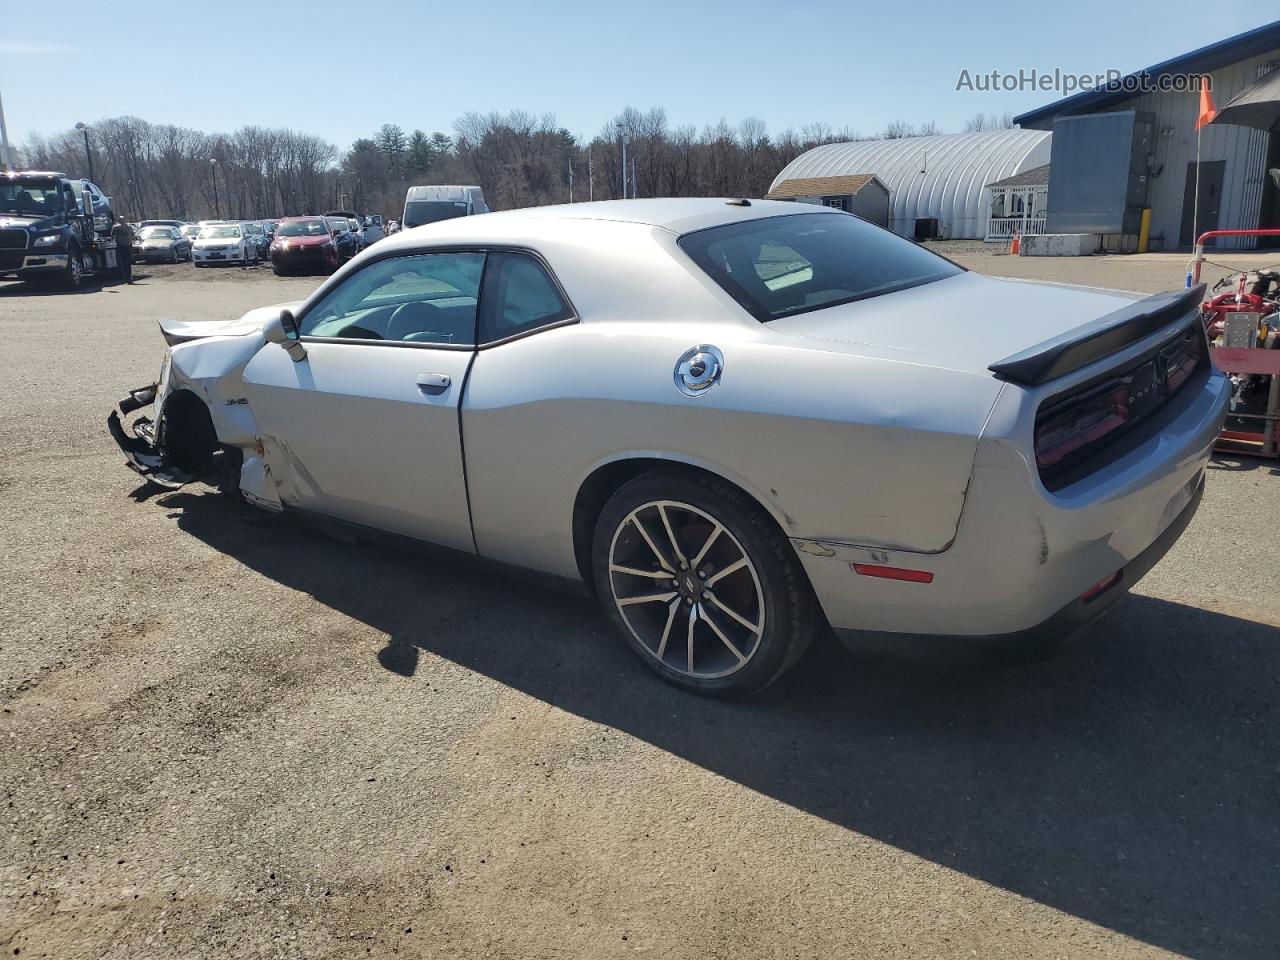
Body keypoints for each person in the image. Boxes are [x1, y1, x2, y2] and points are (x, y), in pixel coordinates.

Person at [111, 214, 133, 283]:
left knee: (128, 261)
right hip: (120, 246)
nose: (122, 221)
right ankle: (125, 275)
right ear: (119, 220)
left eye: (123, 219)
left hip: (128, 246)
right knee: (122, 261)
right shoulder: (115, 227)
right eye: (121, 220)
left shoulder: (129, 227)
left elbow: (132, 235)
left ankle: (129, 276)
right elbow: (112, 236)